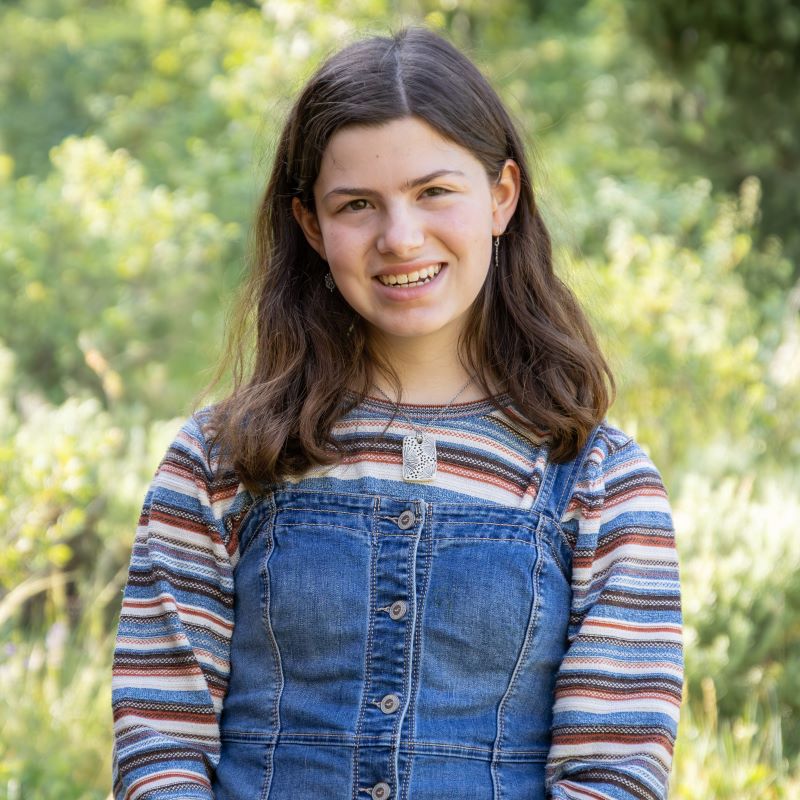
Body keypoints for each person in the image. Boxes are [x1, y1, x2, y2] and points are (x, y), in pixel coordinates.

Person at [111, 27, 683, 800]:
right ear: (312, 225)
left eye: (434, 192)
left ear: (501, 197)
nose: (400, 237)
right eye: (357, 205)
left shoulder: (601, 482)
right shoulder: (221, 460)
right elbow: (160, 744)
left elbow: (613, 776)